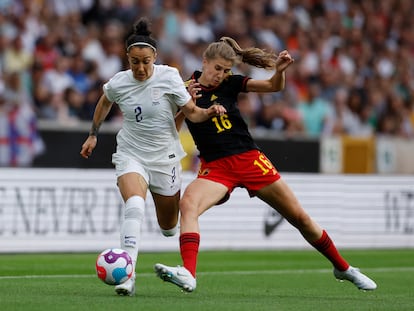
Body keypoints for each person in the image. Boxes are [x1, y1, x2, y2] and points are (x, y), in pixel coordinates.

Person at [154, 37, 377, 292]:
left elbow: (273, 86)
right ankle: (188, 274)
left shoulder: (231, 84)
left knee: (300, 218)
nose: (221, 75)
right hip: (215, 167)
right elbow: (170, 131)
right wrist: (185, 106)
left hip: (249, 159)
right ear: (204, 62)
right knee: (188, 204)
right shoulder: (182, 88)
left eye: (226, 70)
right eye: (217, 68)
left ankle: (343, 268)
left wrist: (279, 72)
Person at [80, 18, 226, 297]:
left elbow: (192, 112)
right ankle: (128, 275)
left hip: (165, 159)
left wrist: (207, 112)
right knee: (134, 204)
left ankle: (157, 241)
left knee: (169, 228)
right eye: (135, 61)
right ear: (128, 58)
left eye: (146, 61)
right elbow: (105, 100)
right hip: (131, 154)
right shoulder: (119, 82)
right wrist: (93, 133)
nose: (141, 68)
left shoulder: (170, 76)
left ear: (155, 57)